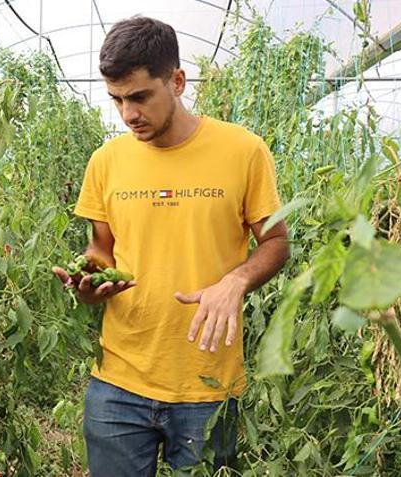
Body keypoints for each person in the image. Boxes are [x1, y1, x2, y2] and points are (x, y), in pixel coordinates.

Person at [51, 16, 290, 476]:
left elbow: (276, 242)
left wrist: (235, 281)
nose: (128, 114)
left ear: (177, 82)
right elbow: (102, 248)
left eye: (140, 97)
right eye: (117, 99)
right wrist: (90, 280)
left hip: (208, 383)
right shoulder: (106, 162)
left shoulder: (242, 151)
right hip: (118, 382)